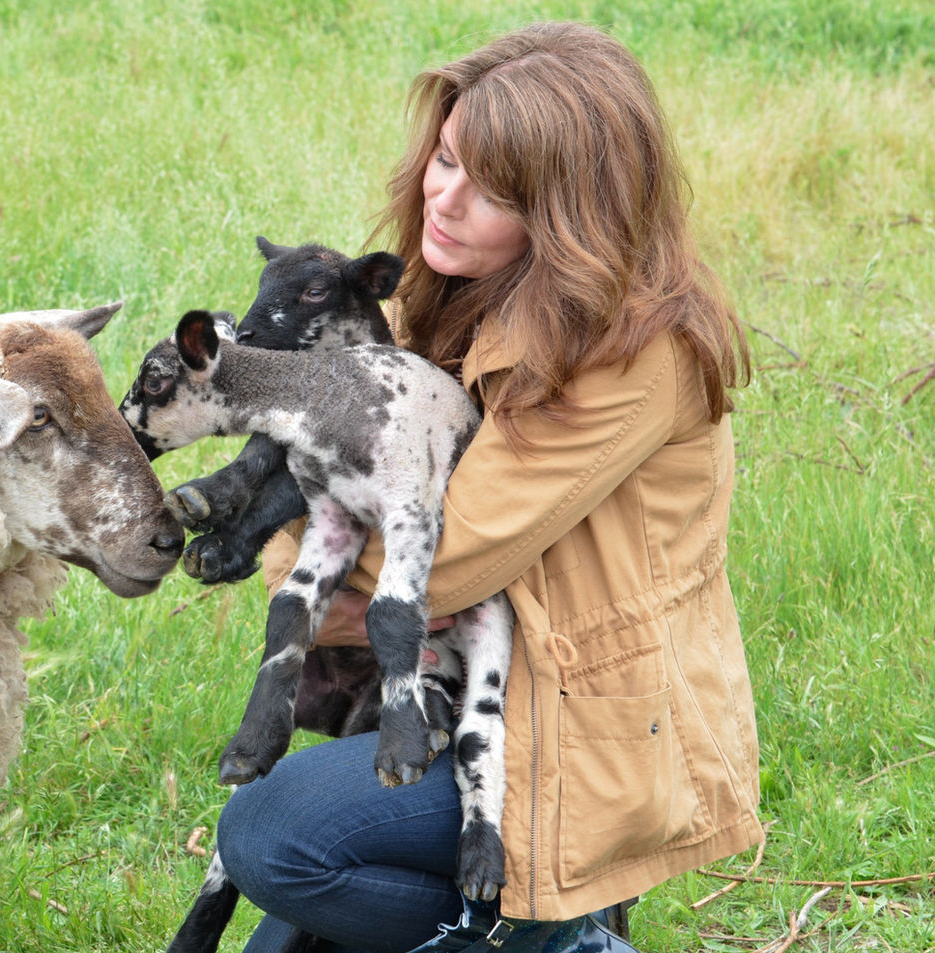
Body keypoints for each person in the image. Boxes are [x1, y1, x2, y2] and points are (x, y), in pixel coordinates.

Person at [212, 21, 762, 953]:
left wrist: (312, 548)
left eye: (492, 189)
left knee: (275, 834)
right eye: (445, 158)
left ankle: (573, 940)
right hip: (459, 680)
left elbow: (441, 559)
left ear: (570, 212)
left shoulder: (635, 351)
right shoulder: (455, 290)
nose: (444, 197)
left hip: (572, 735)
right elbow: (323, 528)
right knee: (287, 903)